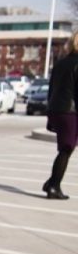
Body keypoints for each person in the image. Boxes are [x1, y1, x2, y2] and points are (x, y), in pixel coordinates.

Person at [43, 30, 78, 200]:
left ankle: (51, 182)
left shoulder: (60, 63)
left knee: (65, 148)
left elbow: (51, 90)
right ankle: (54, 186)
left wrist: (49, 114)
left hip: (57, 110)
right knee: (66, 148)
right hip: (70, 112)